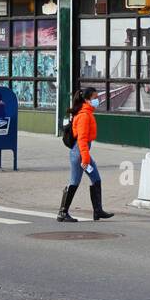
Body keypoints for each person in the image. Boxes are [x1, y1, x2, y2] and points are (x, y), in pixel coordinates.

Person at [57, 87, 113, 222]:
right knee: (74, 181)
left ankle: (98, 211)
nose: (97, 100)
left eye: (97, 97)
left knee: (96, 179)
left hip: (82, 153)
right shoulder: (83, 116)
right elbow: (81, 139)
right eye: (94, 98)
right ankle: (62, 213)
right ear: (87, 100)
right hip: (80, 154)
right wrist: (85, 159)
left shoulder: (87, 113)